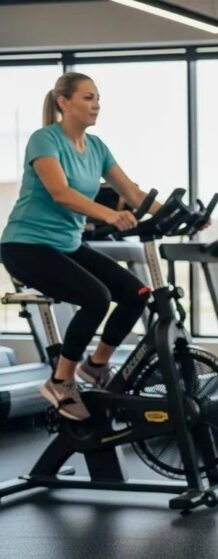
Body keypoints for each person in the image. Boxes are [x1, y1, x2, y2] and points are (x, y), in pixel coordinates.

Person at [0, 72, 156, 421]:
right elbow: (60, 193)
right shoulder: (45, 140)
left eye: (98, 98)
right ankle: (61, 381)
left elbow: (133, 193)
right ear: (63, 102)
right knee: (96, 297)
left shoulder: (97, 147)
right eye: (88, 97)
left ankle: (95, 365)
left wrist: (180, 214)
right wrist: (110, 215)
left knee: (137, 294)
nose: (96, 104)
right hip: (25, 245)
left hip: (67, 245)